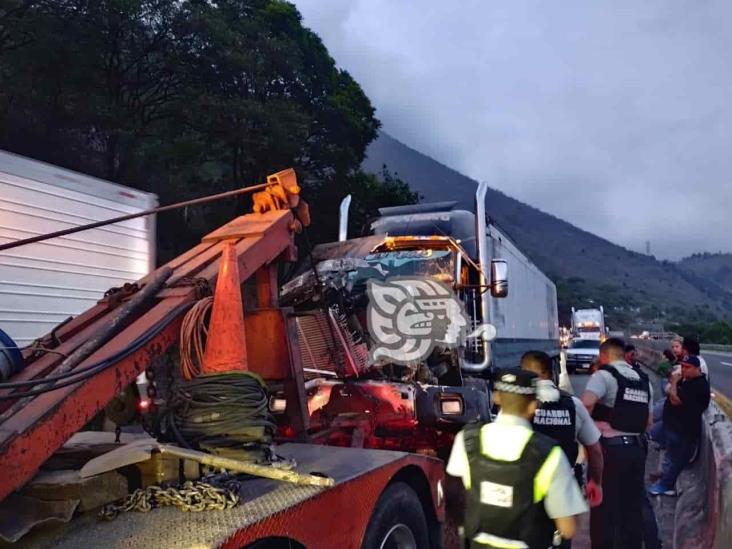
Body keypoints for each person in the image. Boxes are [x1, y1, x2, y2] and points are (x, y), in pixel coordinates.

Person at [447, 367, 588, 548]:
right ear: (533, 406)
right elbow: (569, 528)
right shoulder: (549, 454)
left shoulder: (466, 441)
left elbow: (453, 501)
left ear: (496, 397)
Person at [581, 338, 653, 549]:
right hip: (637, 450)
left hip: (609, 451)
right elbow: (648, 422)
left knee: (603, 507)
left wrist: (589, 437)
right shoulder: (644, 380)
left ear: (604, 355)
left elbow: (585, 404)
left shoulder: (603, 375)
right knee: (632, 507)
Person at [520, 351, 604, 512]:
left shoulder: (517, 406)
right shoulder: (574, 404)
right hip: (564, 488)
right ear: (551, 373)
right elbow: (595, 450)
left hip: (527, 489)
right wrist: (596, 482)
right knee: (563, 534)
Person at [648, 355, 710, 496]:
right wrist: (674, 386)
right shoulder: (688, 381)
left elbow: (675, 400)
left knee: (675, 460)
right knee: (670, 456)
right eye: (682, 366)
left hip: (683, 430)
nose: (683, 370)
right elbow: (670, 392)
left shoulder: (698, 385)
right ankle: (663, 480)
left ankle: (665, 485)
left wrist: (675, 384)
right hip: (673, 426)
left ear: (697, 369)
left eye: (687, 367)